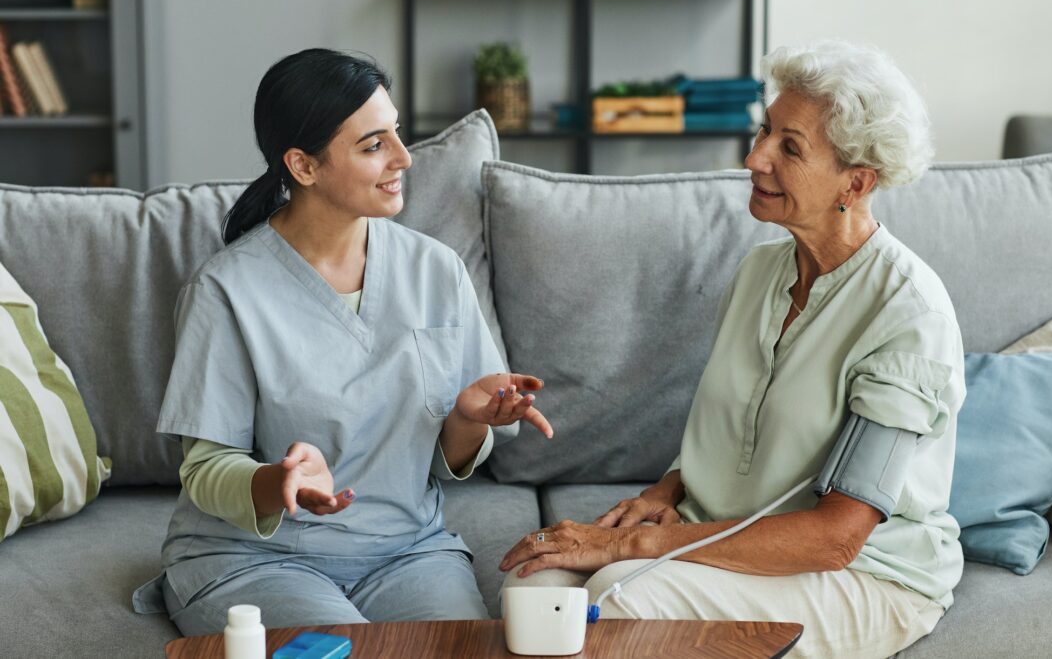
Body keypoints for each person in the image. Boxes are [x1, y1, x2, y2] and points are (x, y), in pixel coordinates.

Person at [500, 40, 965, 659]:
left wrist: (633, 546)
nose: (754, 158)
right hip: (722, 538)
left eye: (789, 147)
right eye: (764, 132)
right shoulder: (760, 274)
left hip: (865, 576)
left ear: (855, 182)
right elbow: (734, 440)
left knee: (616, 600)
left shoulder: (907, 314)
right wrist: (664, 494)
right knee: (533, 587)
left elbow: (836, 538)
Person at [132, 48, 552, 636]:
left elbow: (443, 456)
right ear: (303, 167)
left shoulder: (437, 270)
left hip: (408, 554)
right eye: (373, 145)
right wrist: (278, 482)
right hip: (258, 560)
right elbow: (205, 470)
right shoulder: (225, 290)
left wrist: (468, 417)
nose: (404, 158)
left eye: (397, 133)